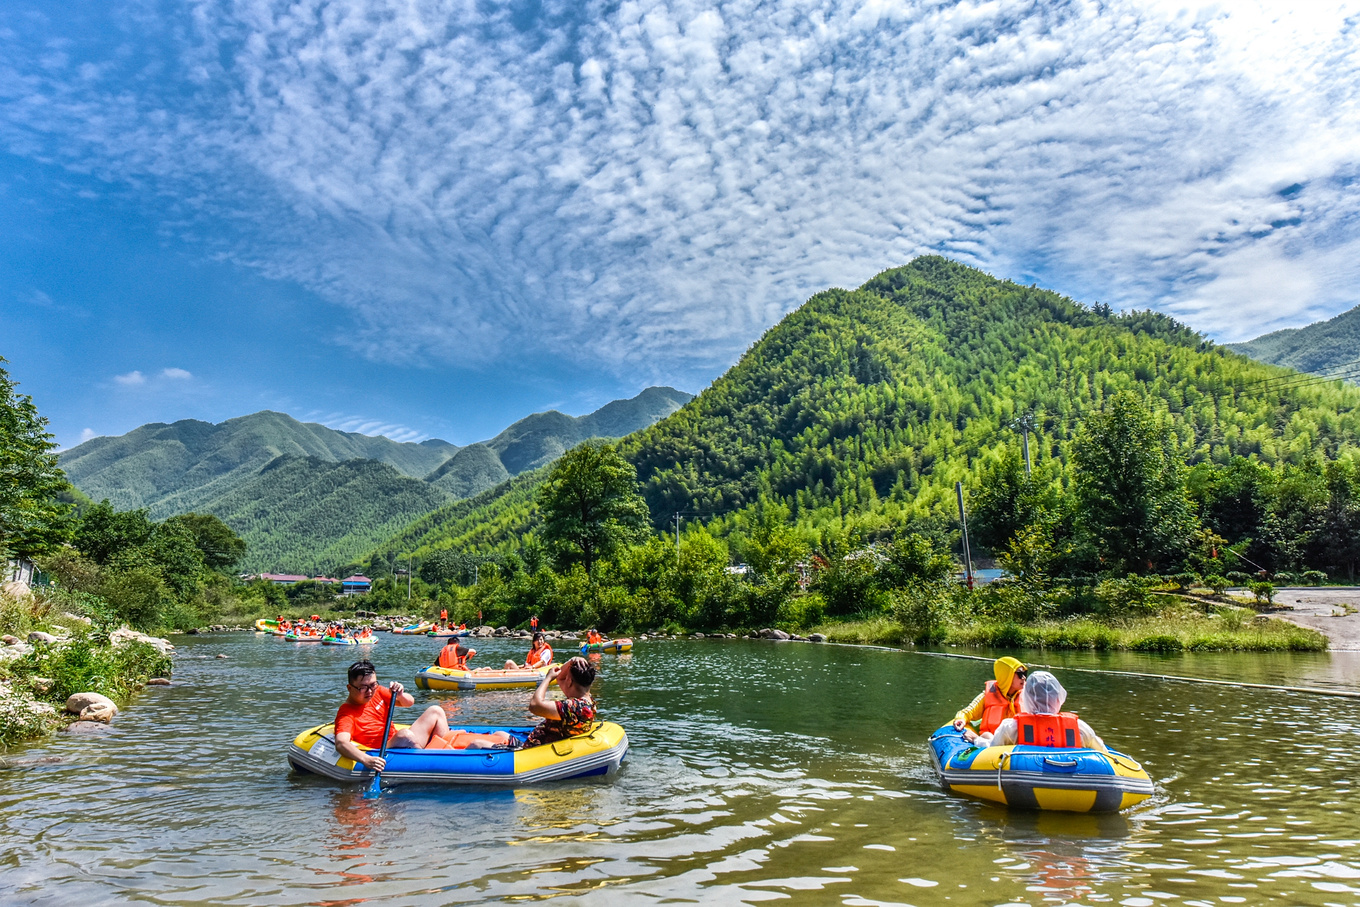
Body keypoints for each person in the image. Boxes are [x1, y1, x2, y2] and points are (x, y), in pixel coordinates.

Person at [333, 661, 451, 769]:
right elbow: (341, 743)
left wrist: (400, 695)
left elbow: (409, 702)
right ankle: (432, 764)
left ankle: (450, 753)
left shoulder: (378, 691)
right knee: (404, 735)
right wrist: (366, 759)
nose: (370, 691)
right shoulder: (346, 713)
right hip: (381, 749)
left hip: (395, 741)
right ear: (350, 688)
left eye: (373, 685)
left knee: (436, 711)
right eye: (363, 687)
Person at [991, 671, 1107, 752]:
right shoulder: (1080, 728)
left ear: (1027, 697)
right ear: (1058, 698)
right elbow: (1104, 752)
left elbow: (991, 753)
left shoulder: (1011, 727)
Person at [520, 656, 597, 749]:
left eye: (567, 677)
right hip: (546, 742)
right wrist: (571, 661)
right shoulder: (588, 702)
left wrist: (547, 678)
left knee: (502, 736)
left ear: (569, 681)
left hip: (537, 748)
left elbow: (534, 705)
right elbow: (560, 677)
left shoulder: (573, 707)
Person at [952, 656, 1027, 744]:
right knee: (987, 735)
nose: (1024, 677)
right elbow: (968, 712)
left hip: (1018, 741)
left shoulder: (1027, 696)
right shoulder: (987, 696)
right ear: (1006, 676)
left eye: (1025, 673)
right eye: (1019, 674)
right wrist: (961, 718)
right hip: (992, 741)